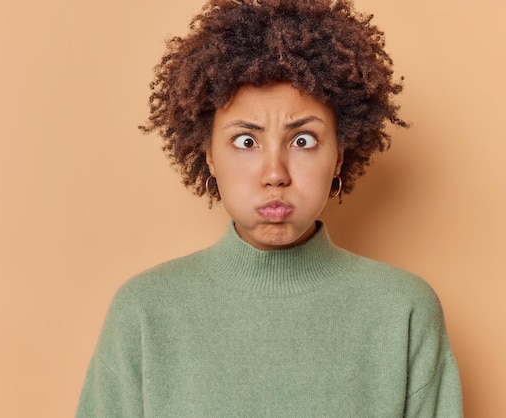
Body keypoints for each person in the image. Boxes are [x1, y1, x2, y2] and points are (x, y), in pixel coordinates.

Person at [76, 0, 463, 416]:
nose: (274, 173)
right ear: (208, 156)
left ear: (339, 155)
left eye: (303, 141)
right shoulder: (144, 313)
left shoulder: (403, 311)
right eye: (246, 141)